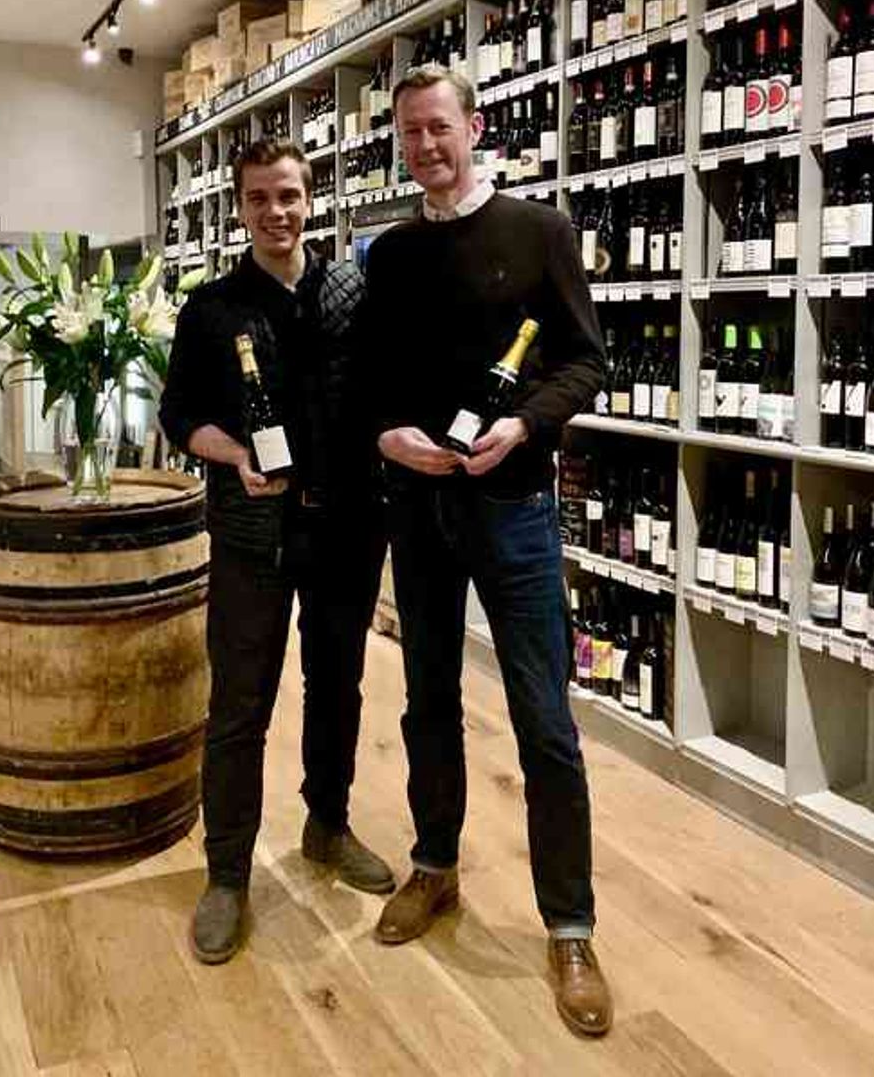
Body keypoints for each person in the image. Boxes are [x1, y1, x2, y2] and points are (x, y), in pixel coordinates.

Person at [364, 64, 613, 1038]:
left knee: (543, 718)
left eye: (439, 127)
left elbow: (585, 360)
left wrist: (526, 424)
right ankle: (435, 865)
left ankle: (570, 926)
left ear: (473, 126)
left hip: (512, 509)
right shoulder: (390, 254)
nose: (425, 146)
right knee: (427, 699)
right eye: (410, 133)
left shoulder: (538, 231)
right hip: (418, 508)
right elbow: (373, 376)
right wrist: (387, 434)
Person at [160, 138, 393, 966]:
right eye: (259, 198)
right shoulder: (211, 308)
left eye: (288, 195)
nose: (276, 212)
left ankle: (327, 825)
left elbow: (384, 393)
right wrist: (233, 455)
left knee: (337, 687)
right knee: (239, 704)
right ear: (239, 207)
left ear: (311, 197)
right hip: (252, 533)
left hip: (346, 528)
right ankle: (227, 873)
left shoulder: (353, 291)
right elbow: (179, 415)